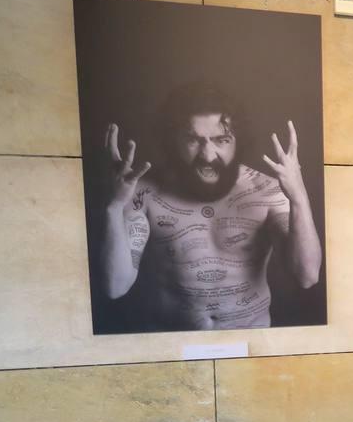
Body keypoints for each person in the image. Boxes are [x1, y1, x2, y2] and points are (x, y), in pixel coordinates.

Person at [96, 81, 323, 331]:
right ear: (174, 140)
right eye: (193, 140)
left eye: (221, 140)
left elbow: (307, 276)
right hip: (172, 347)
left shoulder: (268, 191)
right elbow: (115, 287)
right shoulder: (144, 193)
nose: (207, 155)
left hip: (249, 346)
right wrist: (114, 206)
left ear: (238, 141)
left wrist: (299, 196)